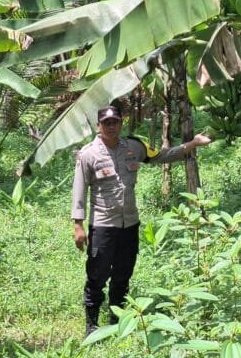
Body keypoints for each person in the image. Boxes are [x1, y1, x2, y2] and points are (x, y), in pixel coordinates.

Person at [72, 105, 212, 336]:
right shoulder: (88, 154)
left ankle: (117, 321)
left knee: (123, 273)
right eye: (106, 123)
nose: (111, 127)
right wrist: (78, 225)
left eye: (115, 122)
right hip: (103, 224)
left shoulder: (134, 147)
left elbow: (162, 156)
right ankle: (92, 324)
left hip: (130, 224)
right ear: (98, 125)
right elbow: (79, 189)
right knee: (97, 275)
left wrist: (193, 144)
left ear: (121, 123)